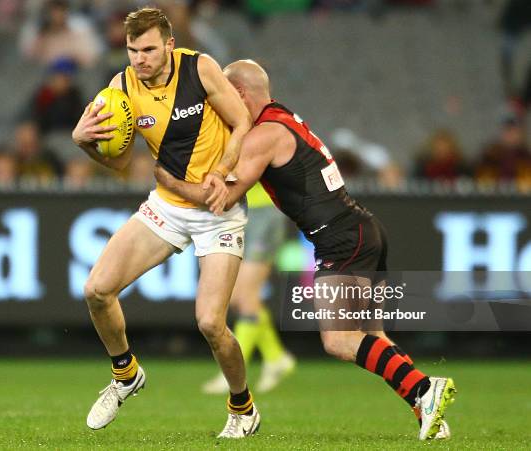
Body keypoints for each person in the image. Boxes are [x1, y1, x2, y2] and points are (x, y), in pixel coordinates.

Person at [155, 59, 456, 441]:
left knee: (339, 340)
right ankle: (428, 411)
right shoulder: (284, 120)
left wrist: (169, 179)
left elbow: (224, 198)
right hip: (362, 230)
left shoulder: (262, 135)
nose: (217, 105)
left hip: (341, 239)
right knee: (372, 336)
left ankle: (426, 390)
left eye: (221, 96)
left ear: (239, 94)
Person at [71, 8, 260, 438]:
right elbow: (119, 163)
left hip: (218, 211)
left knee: (211, 324)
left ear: (169, 45)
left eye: (149, 49)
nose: (140, 59)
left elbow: (242, 121)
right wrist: (85, 144)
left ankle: (243, 407)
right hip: (168, 207)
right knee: (96, 290)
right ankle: (126, 373)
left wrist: (224, 168)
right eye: (133, 50)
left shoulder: (201, 68)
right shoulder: (121, 89)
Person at [202, 182, 296, 394]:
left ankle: (232, 370)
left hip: (265, 212)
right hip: (238, 213)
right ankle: (276, 357)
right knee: (238, 297)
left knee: (246, 297)